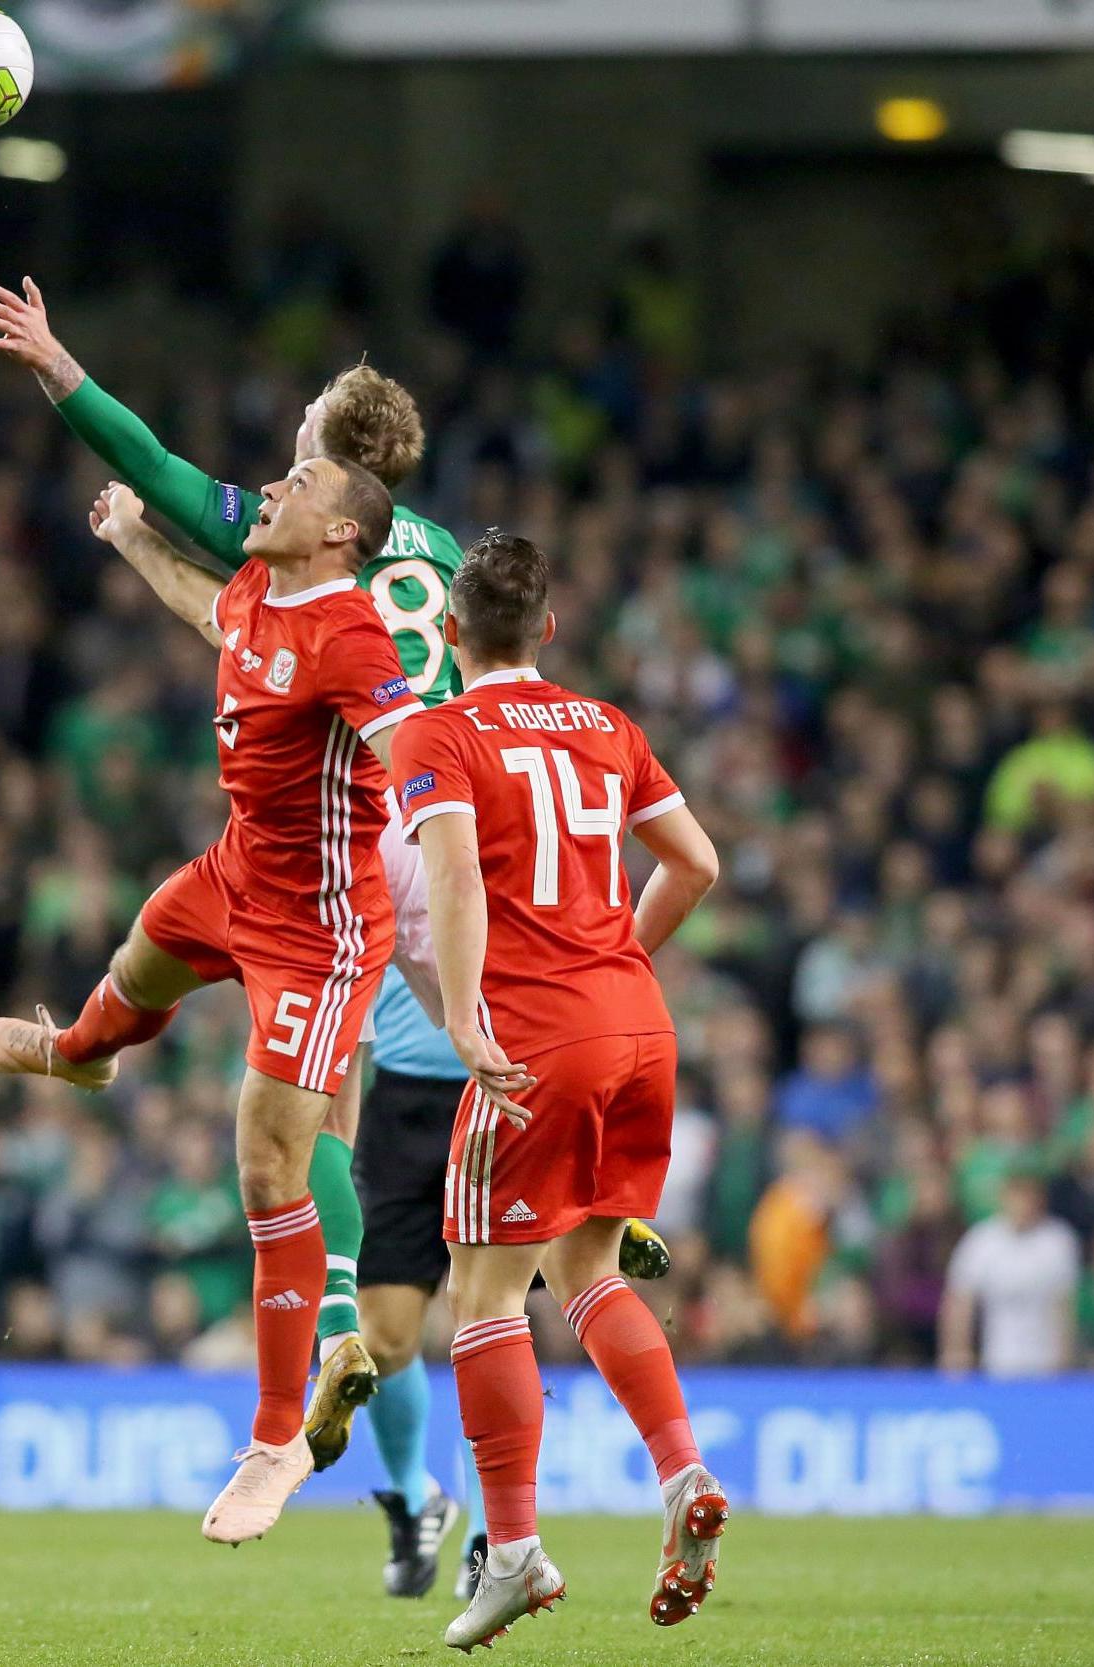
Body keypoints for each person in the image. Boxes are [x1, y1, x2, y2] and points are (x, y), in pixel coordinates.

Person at [0, 279, 669, 1596]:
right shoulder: (425, 552)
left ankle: (337, 1339)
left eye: (298, 450)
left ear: (338, 476)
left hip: (383, 837)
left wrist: (66, 376)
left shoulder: (305, 557)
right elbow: (414, 654)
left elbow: (163, 471)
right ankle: (559, 1217)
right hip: (423, 832)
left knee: (309, 1120)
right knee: (441, 1065)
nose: (274, 471)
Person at [0, 457, 422, 1545]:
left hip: (317, 930)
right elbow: (207, 611)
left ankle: (273, 1442)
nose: (270, 485)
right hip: (233, 873)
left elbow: (411, 753)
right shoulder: (261, 588)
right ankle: (75, 1050)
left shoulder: (353, 636)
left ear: (342, 531)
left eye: (298, 480)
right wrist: (128, 537)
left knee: (267, 1161)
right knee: (136, 961)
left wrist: (461, 827)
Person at [388, 533, 727, 1646]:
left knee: (482, 1297)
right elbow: (697, 864)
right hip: (638, 1027)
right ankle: (680, 1470)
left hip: (538, 1042)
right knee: (582, 1269)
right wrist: (613, 969)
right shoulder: (605, 726)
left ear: (447, 635)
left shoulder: (437, 733)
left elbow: (446, 880)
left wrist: (465, 1015)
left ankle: (516, 1547)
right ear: (546, 627)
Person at [939, 1169, 1081, 1377]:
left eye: (1030, 1196)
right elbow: (961, 1302)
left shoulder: (1058, 1240)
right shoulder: (981, 1241)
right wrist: (956, 1352)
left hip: (1047, 1361)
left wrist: (1065, 1357)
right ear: (1004, 1198)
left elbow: (1065, 1304)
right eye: (1017, 1196)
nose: (1024, 1204)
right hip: (997, 1358)